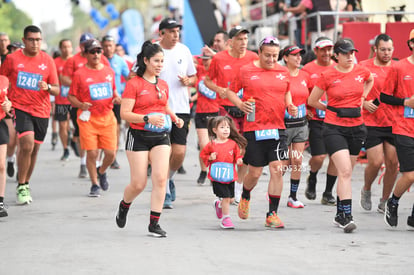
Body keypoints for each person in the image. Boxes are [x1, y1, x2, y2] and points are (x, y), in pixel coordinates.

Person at [226, 36, 298, 228]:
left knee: (277, 169)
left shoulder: (283, 72)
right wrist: (240, 104)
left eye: (275, 56)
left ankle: (272, 214)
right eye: (268, 56)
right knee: (255, 173)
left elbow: (286, 91)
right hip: (254, 129)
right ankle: (246, 195)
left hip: (277, 128)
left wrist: (289, 104)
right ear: (259, 53)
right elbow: (230, 91)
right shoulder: (246, 71)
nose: (272, 60)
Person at [115, 41, 184, 237]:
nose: (160, 65)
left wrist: (174, 117)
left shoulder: (163, 84)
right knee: (138, 184)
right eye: (156, 61)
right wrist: (146, 118)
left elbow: (163, 106)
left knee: (161, 179)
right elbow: (125, 114)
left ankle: (154, 223)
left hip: (161, 136)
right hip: (138, 137)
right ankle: (124, 205)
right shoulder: (134, 84)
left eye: (162, 61)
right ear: (145, 61)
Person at [308, 38, 373, 233]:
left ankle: (339, 213)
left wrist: (362, 98)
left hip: (357, 128)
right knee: (344, 171)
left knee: (346, 173)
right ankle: (347, 216)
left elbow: (370, 79)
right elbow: (312, 100)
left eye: (352, 52)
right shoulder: (327, 75)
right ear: (336, 55)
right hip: (333, 128)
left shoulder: (361, 71)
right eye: (345, 53)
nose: (349, 56)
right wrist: (329, 109)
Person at [0, 25, 59, 205]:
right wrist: (6, 101)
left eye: (38, 40)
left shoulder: (48, 61)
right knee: (26, 144)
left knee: (34, 150)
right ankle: (21, 185)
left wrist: (48, 87)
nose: (35, 43)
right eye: (31, 39)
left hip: (41, 110)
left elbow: (56, 89)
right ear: (24, 40)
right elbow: (2, 81)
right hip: (20, 108)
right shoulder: (11, 59)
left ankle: (25, 181)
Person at [204, 26, 258, 204]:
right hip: (226, 110)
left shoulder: (253, 58)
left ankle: (237, 186)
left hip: (247, 109)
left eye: (245, 39)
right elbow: (207, 80)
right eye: (239, 39)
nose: (243, 43)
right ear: (230, 42)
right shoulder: (219, 59)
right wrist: (219, 89)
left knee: (245, 150)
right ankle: (223, 187)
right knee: (226, 149)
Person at [67, 39, 120, 197]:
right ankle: (94, 184)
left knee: (111, 154)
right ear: (86, 54)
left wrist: (118, 98)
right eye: (92, 51)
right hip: (88, 119)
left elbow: (114, 91)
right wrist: (80, 104)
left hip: (107, 117)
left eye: (99, 51)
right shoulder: (79, 74)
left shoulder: (109, 71)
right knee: (92, 153)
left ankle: (101, 171)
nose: (96, 54)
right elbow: (71, 96)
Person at [156, 18, 197, 209]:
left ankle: (168, 178)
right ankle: (163, 190)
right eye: (171, 32)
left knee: (179, 152)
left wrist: (189, 81)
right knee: (163, 152)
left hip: (181, 108)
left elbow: (193, 75)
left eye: (177, 31)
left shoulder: (184, 50)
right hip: (158, 109)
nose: (175, 35)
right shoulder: (152, 50)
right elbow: (135, 74)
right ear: (161, 33)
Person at [61, 32, 110, 178]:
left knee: (101, 139)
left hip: (101, 105)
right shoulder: (73, 60)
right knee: (84, 135)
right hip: (80, 104)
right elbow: (63, 78)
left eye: (95, 47)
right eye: (86, 44)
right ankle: (83, 163)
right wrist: (82, 85)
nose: (94, 51)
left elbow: (108, 76)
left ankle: (97, 165)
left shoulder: (103, 59)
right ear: (82, 47)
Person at [359, 34, 398, 213]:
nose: (386, 53)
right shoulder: (364, 67)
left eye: (389, 49)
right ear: (375, 49)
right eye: (383, 49)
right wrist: (364, 102)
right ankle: (366, 189)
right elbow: (354, 90)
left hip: (393, 123)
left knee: (393, 163)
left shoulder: (398, 68)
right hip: (371, 121)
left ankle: (385, 200)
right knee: (375, 162)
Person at [381, 29, 414, 229]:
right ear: (411, 44)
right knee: (410, 175)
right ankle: (393, 202)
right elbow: (384, 97)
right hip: (404, 127)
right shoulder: (399, 67)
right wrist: (406, 102)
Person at [302, 36, 337, 205]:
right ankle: (313, 177)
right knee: (319, 157)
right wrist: (307, 110)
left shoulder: (339, 67)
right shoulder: (308, 69)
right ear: (316, 51)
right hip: (316, 119)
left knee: (337, 158)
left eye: (329, 49)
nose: (327, 53)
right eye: (323, 50)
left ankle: (328, 192)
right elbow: (303, 93)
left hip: (337, 119)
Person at [200, 116, 246, 228]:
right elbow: (203, 155)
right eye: (222, 127)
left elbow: (237, 156)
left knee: (230, 199)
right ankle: (226, 219)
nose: (226, 130)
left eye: (227, 127)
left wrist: (239, 159)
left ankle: (218, 205)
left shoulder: (233, 144)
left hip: (229, 175)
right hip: (217, 176)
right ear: (215, 130)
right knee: (226, 197)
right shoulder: (211, 144)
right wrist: (210, 157)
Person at [281, 45, 311, 208]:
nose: (299, 58)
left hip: (301, 124)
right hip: (284, 125)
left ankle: (293, 196)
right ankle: (275, 189)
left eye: (300, 55)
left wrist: (312, 110)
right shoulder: (280, 74)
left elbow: (313, 93)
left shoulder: (305, 75)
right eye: (294, 55)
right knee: (283, 163)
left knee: (297, 160)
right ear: (285, 58)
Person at [101, 35, 130, 169]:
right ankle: (100, 156)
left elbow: (129, 77)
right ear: (102, 46)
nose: (108, 48)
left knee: (116, 127)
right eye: (105, 45)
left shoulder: (120, 61)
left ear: (114, 46)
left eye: (110, 45)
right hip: (100, 100)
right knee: (101, 128)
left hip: (116, 100)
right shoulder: (97, 59)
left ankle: (113, 156)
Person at [194, 54, 220, 185]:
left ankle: (213, 171)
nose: (204, 61)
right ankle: (204, 170)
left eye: (207, 59)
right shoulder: (199, 69)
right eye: (203, 59)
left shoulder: (219, 72)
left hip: (215, 113)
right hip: (201, 113)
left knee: (216, 146)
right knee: (204, 145)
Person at [54, 39, 74, 161]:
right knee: (62, 125)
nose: (67, 49)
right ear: (60, 48)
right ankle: (66, 148)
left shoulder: (77, 61)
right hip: (61, 99)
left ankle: (74, 137)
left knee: (77, 125)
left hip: (76, 100)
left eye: (69, 46)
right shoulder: (55, 62)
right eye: (64, 47)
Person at [0, 75, 12, 216]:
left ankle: (0, 201)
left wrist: (8, 105)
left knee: (1, 165)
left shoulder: (4, 80)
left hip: (0, 123)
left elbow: (8, 100)